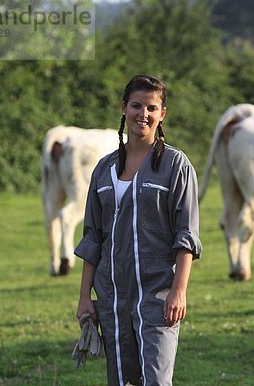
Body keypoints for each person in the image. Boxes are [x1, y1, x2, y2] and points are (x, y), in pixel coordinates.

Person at [75, 74, 203, 385]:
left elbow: (186, 236)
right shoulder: (104, 169)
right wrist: (84, 297)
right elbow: (93, 237)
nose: (142, 114)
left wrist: (179, 292)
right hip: (112, 298)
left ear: (162, 114)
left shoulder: (176, 166)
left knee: (156, 381)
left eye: (151, 107)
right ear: (123, 108)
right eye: (136, 106)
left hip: (158, 296)